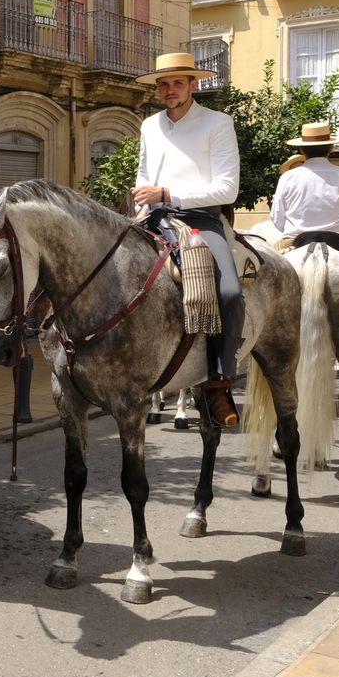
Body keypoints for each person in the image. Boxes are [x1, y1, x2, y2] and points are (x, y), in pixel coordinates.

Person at [131, 51, 242, 427]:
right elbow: (144, 174)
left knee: (229, 293)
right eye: (163, 84)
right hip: (154, 217)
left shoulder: (217, 123)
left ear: (194, 84)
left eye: (177, 82)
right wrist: (144, 198)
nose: (169, 90)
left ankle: (219, 380)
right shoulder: (149, 125)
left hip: (200, 221)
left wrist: (167, 194)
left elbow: (227, 189)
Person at [269, 122, 339, 257]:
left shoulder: (287, 177)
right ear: (331, 148)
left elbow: (277, 218)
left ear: (302, 150)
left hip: (295, 241)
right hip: (336, 241)